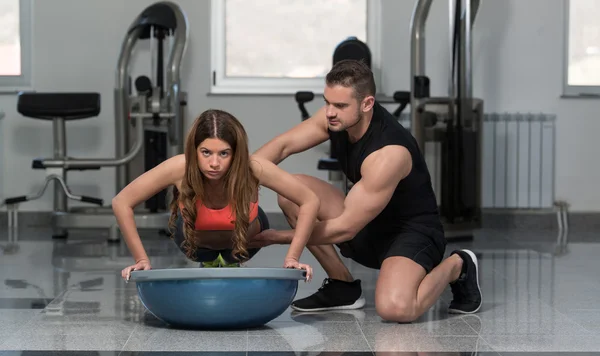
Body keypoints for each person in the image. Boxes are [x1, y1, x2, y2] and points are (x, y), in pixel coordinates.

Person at [250, 59, 482, 322]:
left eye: (340, 105)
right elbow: (281, 147)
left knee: (396, 308)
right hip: (366, 225)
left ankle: (458, 266)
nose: (329, 112)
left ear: (367, 104)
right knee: (291, 192)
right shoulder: (335, 119)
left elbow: (345, 229)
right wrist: (237, 184)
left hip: (410, 234)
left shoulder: (389, 154)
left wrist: (270, 238)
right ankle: (342, 286)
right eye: (327, 102)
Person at [113, 109, 318, 282]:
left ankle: (229, 261)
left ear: (236, 153)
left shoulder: (253, 167)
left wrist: (292, 257)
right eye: (206, 152)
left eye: (224, 153)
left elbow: (309, 200)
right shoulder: (179, 167)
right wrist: (141, 260)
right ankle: (212, 260)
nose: (214, 163)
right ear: (194, 150)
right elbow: (122, 202)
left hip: (245, 245)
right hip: (196, 247)